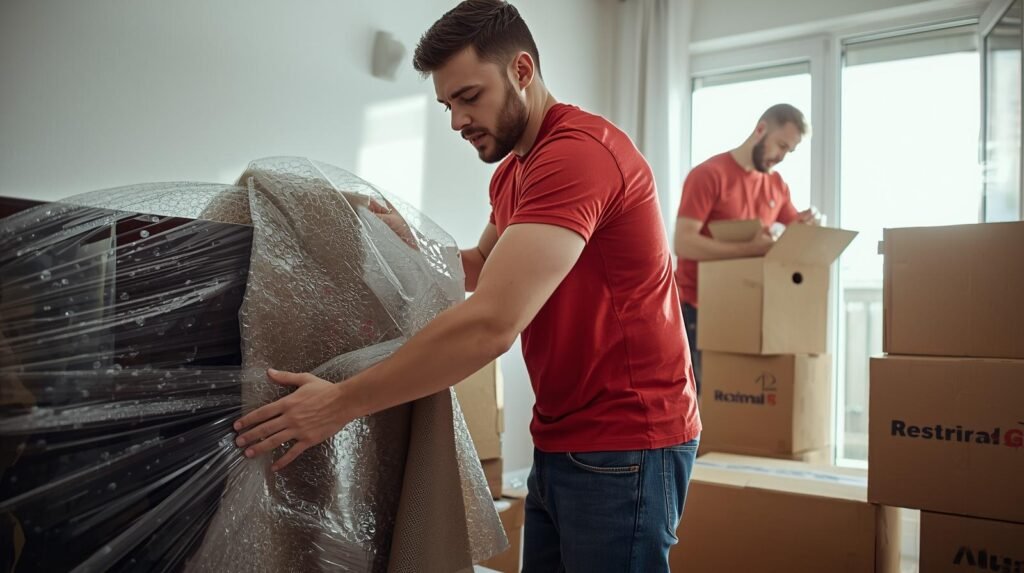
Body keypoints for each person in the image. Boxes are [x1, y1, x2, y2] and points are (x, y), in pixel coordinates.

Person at [233, 1, 700, 570]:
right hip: (565, 432)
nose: (456, 120)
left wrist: (339, 404)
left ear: (521, 71)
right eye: (447, 104)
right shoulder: (513, 170)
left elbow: (492, 323)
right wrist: (405, 241)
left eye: (469, 97)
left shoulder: (577, 156)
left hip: (626, 437)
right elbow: (482, 262)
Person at [674, 104, 821, 394]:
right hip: (697, 308)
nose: (780, 157)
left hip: (747, 305)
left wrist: (807, 222)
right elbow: (683, 242)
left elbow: (794, 234)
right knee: (701, 399)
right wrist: (750, 249)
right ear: (761, 129)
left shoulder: (776, 185)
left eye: (788, 151)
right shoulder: (709, 175)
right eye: (780, 145)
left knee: (735, 401)